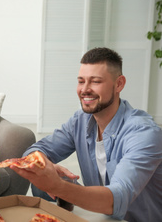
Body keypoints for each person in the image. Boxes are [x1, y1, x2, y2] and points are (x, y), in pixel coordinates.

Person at [12, 47, 162, 221]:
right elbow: (36, 149)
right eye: (81, 81)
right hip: (99, 216)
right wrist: (45, 165)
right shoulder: (80, 120)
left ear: (119, 84)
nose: (85, 89)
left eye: (95, 81)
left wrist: (57, 185)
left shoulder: (144, 133)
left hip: (133, 219)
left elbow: (118, 198)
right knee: (41, 177)